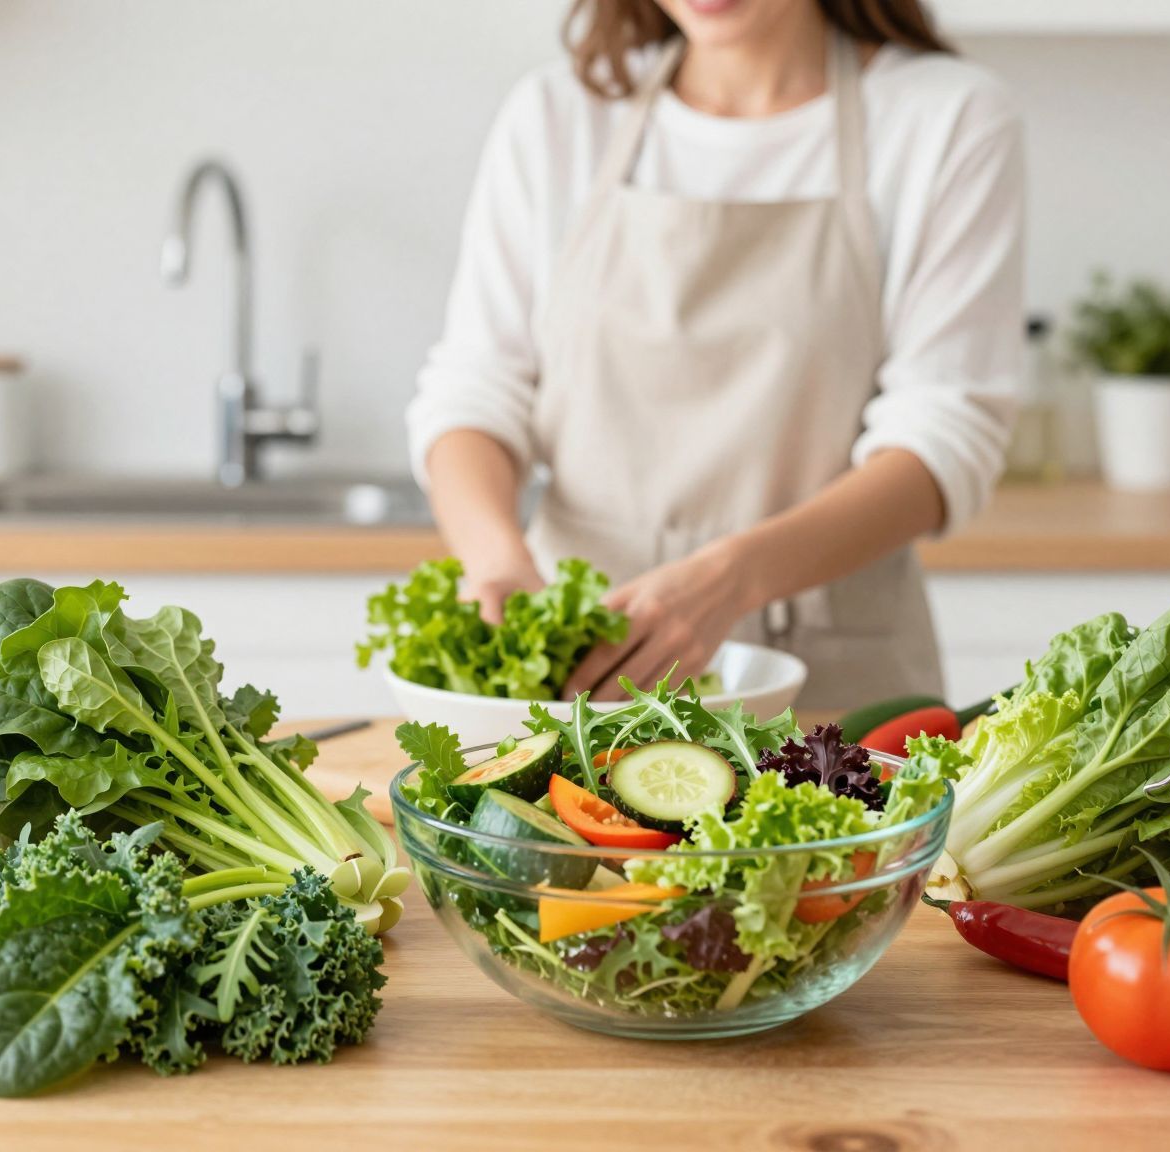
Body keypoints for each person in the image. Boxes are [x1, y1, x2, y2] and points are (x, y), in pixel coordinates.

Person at [408, 0, 1024, 706]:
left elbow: (944, 434)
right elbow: (478, 386)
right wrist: (495, 561)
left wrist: (731, 578)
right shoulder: (560, 114)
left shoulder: (946, 118)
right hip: (580, 678)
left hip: (831, 676)